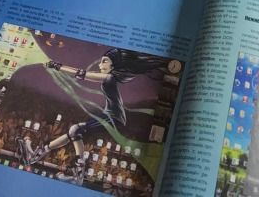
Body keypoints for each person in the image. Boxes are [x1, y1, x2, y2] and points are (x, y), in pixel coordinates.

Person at [15, 48, 168, 184]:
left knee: (76, 130)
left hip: (113, 118)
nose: (100, 64)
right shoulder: (110, 77)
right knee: (74, 132)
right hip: (110, 116)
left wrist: (58, 66)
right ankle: (36, 156)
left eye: (105, 61)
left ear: (113, 65)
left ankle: (75, 173)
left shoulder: (109, 77)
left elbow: (82, 74)